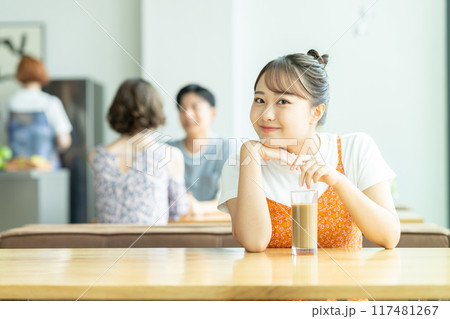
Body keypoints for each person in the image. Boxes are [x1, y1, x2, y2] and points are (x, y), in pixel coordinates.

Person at [218, 50, 400, 252]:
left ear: (315, 113)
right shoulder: (240, 165)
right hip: (271, 285)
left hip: (344, 283)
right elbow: (255, 242)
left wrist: (337, 180)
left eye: (283, 101)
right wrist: (250, 155)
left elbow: (389, 237)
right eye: (259, 100)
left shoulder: (355, 148)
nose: (266, 115)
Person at [89, 78, 188, 224]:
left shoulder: (96, 155)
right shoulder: (170, 155)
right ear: (155, 110)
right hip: (152, 245)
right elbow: (178, 211)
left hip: (108, 246)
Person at [168, 84, 230, 216]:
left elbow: (232, 202)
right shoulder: (168, 149)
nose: (188, 114)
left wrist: (200, 208)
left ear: (212, 113)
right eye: (182, 109)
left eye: (195, 108)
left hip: (214, 226)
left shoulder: (226, 147)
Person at [5, 55, 72, 169]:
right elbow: (64, 141)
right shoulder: (50, 103)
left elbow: (4, 138)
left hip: (16, 168)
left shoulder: (8, 103)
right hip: (45, 167)